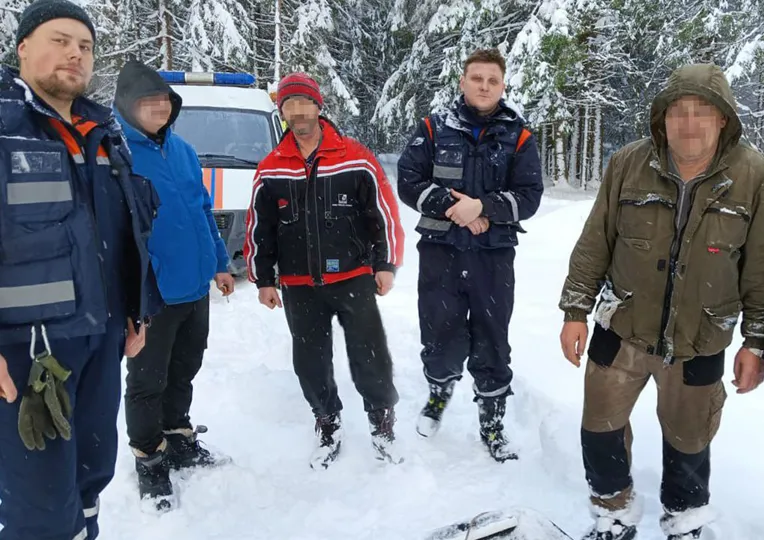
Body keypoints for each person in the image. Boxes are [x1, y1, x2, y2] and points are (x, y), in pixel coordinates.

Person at [558, 63, 764, 540]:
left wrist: (756, 341)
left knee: (690, 438)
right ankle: (612, 510)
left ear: (723, 119)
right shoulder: (628, 163)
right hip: (621, 327)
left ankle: (684, 520)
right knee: (599, 427)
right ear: (662, 118)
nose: (689, 123)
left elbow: (762, 266)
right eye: (679, 111)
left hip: (701, 335)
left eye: (703, 112)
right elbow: (595, 241)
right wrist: (575, 311)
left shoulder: (753, 174)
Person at [0, 1, 163, 538]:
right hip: (28, 354)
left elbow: (124, 232)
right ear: (23, 48)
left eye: (86, 46)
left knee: (90, 477)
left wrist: (134, 313)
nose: (75, 53)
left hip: (102, 338)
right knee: (38, 505)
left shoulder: (103, 132)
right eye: (60, 40)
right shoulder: (5, 126)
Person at [244, 72, 404, 468]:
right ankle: (327, 421)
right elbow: (259, 228)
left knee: (371, 356)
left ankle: (381, 420)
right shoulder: (271, 167)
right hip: (299, 283)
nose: (298, 111)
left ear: (319, 106)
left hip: (353, 276)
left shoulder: (355, 157)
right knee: (310, 361)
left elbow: (382, 214)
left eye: (304, 103)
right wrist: (263, 278)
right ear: (281, 111)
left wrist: (385, 264)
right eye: (289, 104)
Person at [396, 48, 544, 462]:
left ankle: (492, 422)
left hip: (493, 259)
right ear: (462, 82)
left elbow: (530, 196)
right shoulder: (433, 127)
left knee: (492, 340)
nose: (484, 86)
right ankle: (438, 397)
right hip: (441, 253)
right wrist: (452, 207)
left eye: (492, 80)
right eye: (477, 78)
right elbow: (408, 180)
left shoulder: (519, 135)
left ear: (503, 86)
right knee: (440, 334)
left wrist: (483, 208)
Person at [113, 59, 235, 512]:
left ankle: (177, 436)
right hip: (151, 294)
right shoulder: (116, 153)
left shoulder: (182, 149)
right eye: (149, 102)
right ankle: (149, 460)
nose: (159, 109)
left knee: (184, 367)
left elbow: (203, 209)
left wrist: (221, 264)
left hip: (194, 287)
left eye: (164, 101)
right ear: (127, 106)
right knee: (147, 381)